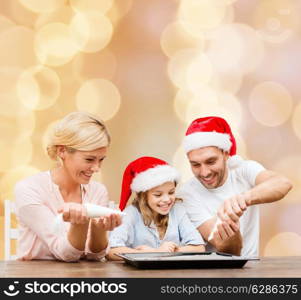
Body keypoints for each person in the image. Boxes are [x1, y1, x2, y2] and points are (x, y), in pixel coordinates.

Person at [177, 116, 292, 257]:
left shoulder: (243, 170)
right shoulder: (187, 194)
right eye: (195, 164)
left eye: (211, 161)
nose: (204, 172)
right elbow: (228, 250)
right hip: (212, 274)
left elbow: (283, 183)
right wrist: (231, 226)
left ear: (225, 154)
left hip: (252, 270)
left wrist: (243, 199)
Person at [14, 111, 122, 262]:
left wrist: (100, 229)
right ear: (62, 151)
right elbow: (66, 254)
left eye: (101, 160)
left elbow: (95, 256)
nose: (97, 168)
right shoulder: (29, 189)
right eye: (89, 159)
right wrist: (80, 224)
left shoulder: (98, 190)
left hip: (85, 280)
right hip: (37, 279)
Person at [107, 156, 205, 261]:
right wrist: (155, 253)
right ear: (143, 196)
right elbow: (112, 251)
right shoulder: (131, 214)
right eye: (158, 195)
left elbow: (199, 247)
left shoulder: (177, 210)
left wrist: (167, 252)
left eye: (171, 192)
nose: (167, 199)